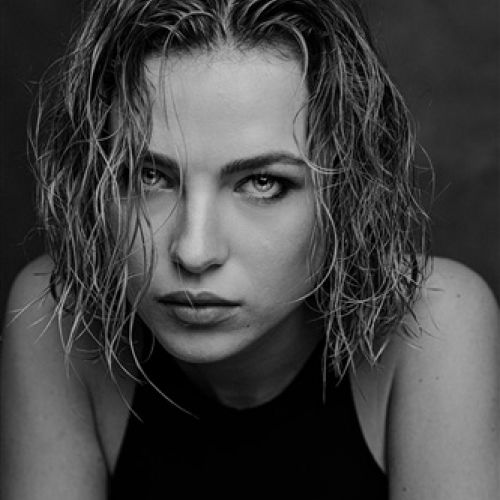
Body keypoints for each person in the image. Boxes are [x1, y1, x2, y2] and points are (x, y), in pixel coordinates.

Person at [1, 0, 499, 498]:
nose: (194, 252)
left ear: (351, 191)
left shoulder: (434, 320)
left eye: (263, 183)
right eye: (149, 176)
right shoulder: (57, 314)